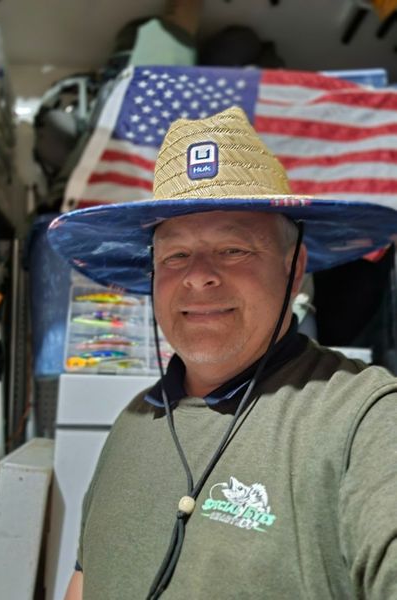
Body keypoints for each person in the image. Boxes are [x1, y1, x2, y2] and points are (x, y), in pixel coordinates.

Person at [48, 106, 397, 599]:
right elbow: (86, 582)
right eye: (176, 255)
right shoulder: (135, 419)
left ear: (293, 269)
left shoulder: (364, 419)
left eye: (233, 249)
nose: (198, 276)